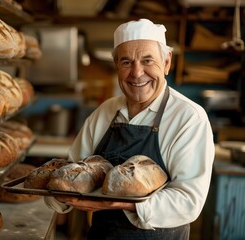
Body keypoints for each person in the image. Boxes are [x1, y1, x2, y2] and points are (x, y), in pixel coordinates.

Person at [44, 18, 215, 239]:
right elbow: (72, 173)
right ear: (116, 66)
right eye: (126, 62)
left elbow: (188, 201)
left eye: (147, 61)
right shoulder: (105, 112)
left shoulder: (188, 118)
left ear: (166, 62)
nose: (136, 73)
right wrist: (58, 196)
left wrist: (126, 204)